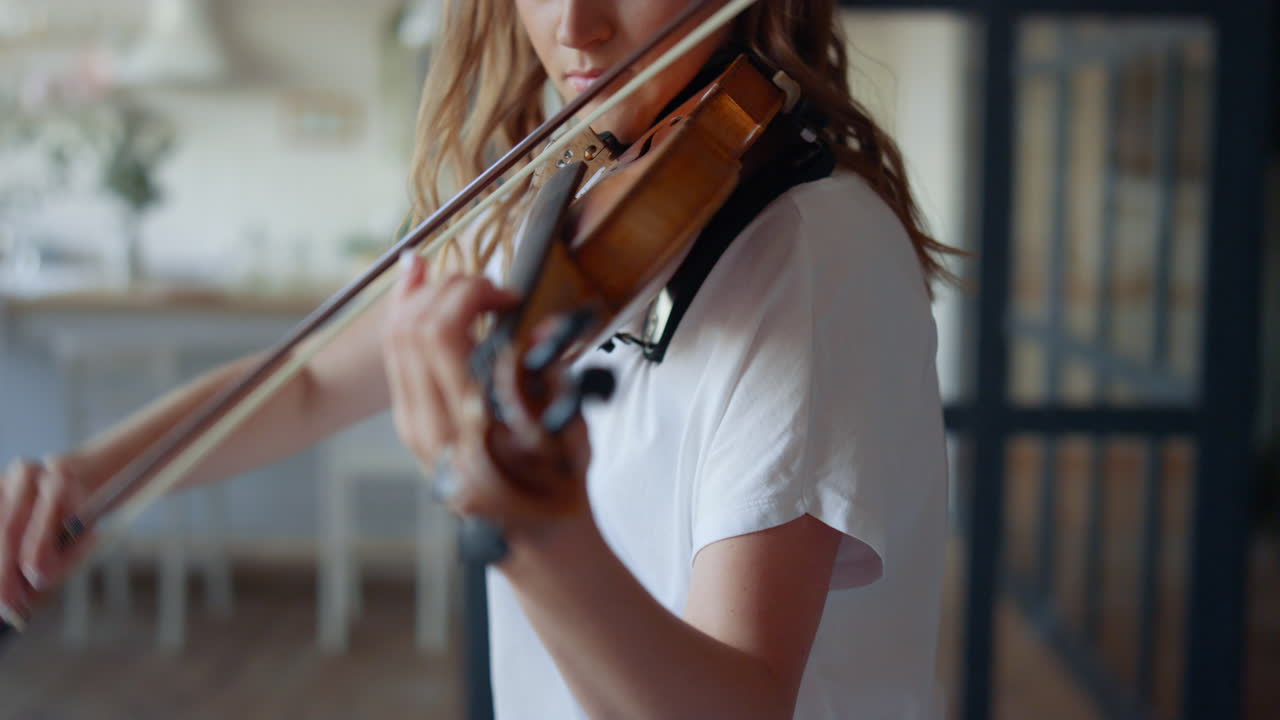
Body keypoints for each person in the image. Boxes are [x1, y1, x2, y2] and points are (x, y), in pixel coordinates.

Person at [1, 1, 957, 717]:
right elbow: (303, 387)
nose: (574, 26)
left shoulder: (813, 254)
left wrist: (538, 534)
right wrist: (92, 477)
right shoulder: (574, 196)